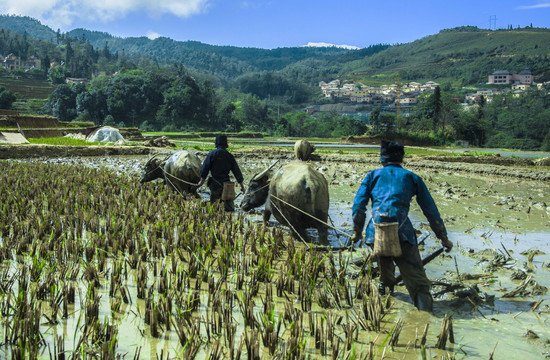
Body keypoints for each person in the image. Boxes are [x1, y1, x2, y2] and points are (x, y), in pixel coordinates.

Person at [351, 140, 453, 312]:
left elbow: (358, 206)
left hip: (375, 233)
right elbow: (430, 210)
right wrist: (443, 237)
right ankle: (424, 315)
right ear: (402, 159)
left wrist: (357, 232)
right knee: (418, 282)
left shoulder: (372, 176)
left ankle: (385, 296)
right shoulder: (412, 178)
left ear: (382, 159)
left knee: (385, 269)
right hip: (402, 234)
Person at [197, 135, 245, 211]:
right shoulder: (229, 156)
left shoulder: (212, 154)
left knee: (215, 207)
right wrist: (242, 186)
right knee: (229, 207)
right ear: (226, 144)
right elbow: (237, 171)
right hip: (227, 185)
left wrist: (201, 181)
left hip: (215, 184)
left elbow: (205, 168)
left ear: (216, 144)